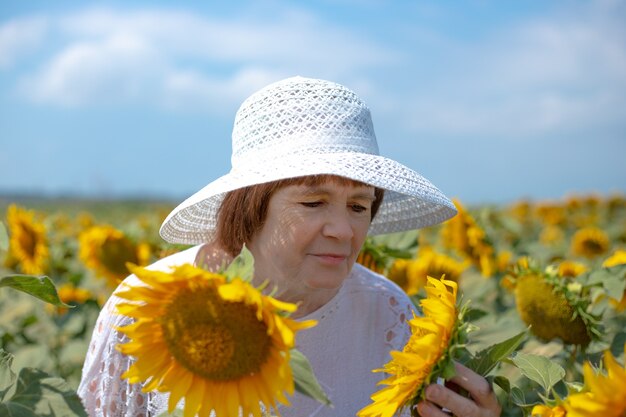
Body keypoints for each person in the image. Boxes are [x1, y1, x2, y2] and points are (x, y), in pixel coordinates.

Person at [78, 76, 502, 417]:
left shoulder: (390, 316)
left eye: (359, 206)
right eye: (313, 202)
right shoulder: (146, 309)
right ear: (251, 207)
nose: (344, 230)